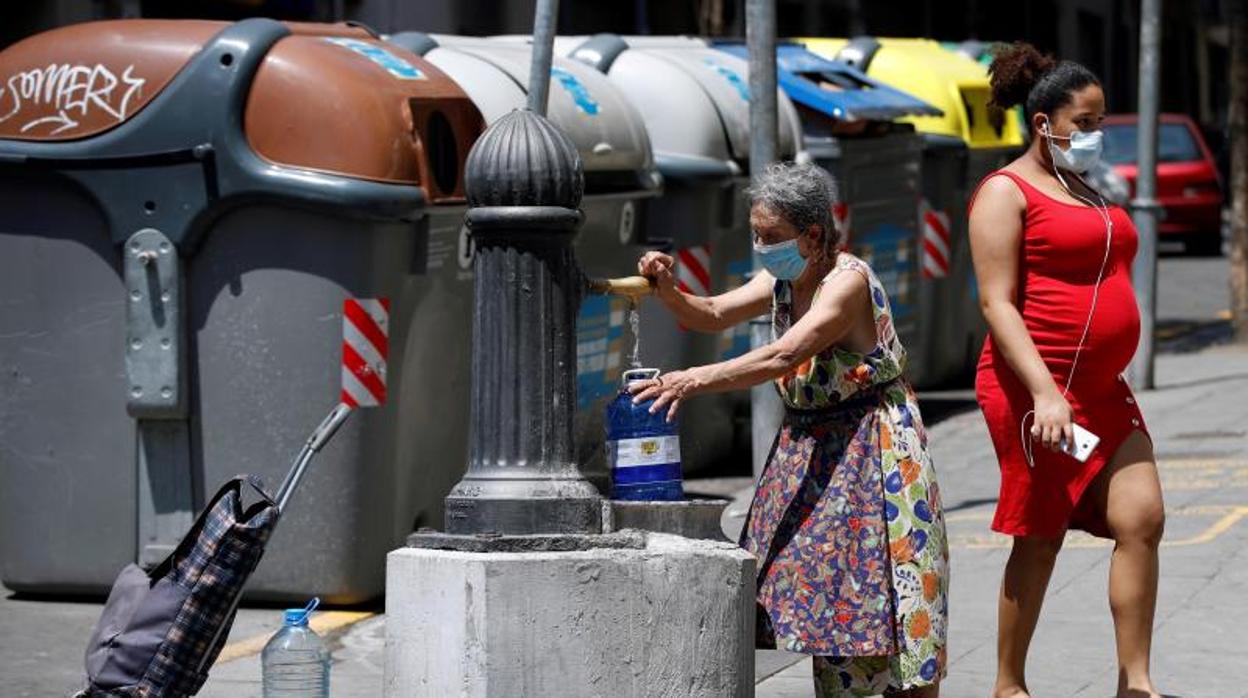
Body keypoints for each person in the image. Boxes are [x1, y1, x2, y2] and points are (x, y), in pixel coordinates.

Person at [632, 162, 948, 697]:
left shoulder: (846, 283)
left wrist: (692, 380)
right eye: (755, 234)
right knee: (831, 593)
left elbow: (786, 353)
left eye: (771, 236)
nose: (760, 246)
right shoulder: (781, 278)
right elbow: (707, 313)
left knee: (896, 594)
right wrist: (667, 288)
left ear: (814, 234)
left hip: (875, 449)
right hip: (815, 451)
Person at [968, 43, 1165, 698]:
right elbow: (997, 302)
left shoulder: (1082, 187)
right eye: (1085, 122)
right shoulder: (1005, 192)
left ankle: (1135, 682)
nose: (1095, 135)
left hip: (1103, 393)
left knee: (1143, 518)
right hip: (1035, 392)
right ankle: (1008, 683)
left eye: (1101, 122)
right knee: (1042, 533)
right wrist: (1046, 393)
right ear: (1043, 123)